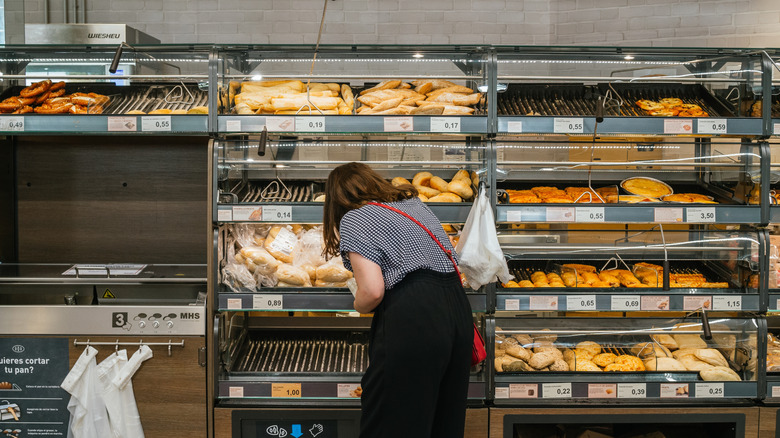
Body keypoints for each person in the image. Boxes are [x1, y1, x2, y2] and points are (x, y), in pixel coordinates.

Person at [322, 162, 473, 438]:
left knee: (393, 422)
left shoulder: (355, 218)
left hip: (416, 318)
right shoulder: (414, 204)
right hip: (457, 310)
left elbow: (373, 291)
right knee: (444, 421)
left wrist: (358, 305)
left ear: (338, 199)